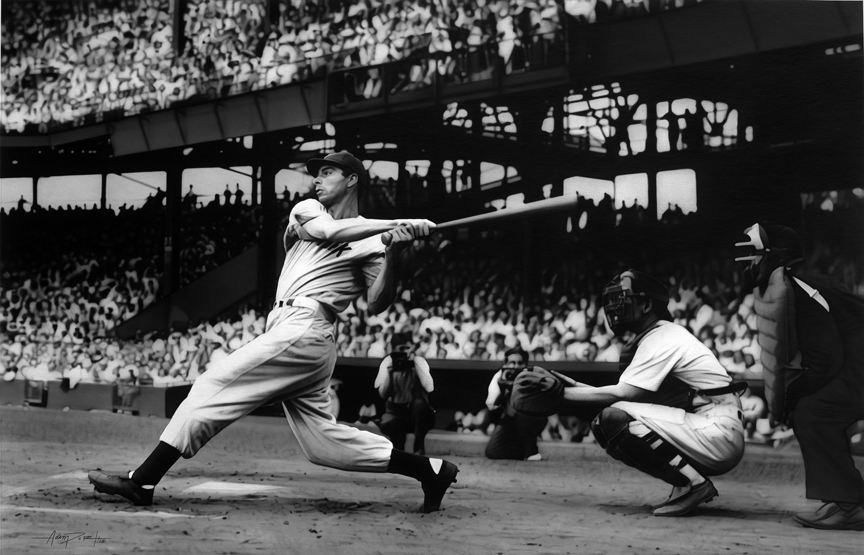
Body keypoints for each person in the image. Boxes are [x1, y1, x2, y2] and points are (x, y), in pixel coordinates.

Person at [88, 151, 459, 513]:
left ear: (351, 180)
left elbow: (377, 304)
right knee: (322, 444)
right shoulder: (308, 211)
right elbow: (328, 232)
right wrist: (393, 226)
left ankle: (143, 480)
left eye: (327, 173)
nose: (316, 179)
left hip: (308, 328)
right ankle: (431, 471)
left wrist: (392, 250)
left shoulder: (371, 243)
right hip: (290, 328)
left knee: (212, 383)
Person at [561, 270, 746, 516]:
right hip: (710, 426)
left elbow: (619, 397)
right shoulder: (659, 334)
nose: (615, 307)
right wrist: (570, 385)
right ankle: (686, 484)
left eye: (623, 299)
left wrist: (561, 394)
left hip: (717, 431)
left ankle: (694, 485)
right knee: (605, 422)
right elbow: (623, 396)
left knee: (614, 418)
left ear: (646, 304)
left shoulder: (662, 337)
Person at [735, 223, 864, 530]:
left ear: (777, 257)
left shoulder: (799, 288)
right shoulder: (795, 282)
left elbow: (826, 359)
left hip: (858, 366)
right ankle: (842, 498)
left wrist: (792, 396)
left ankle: (850, 504)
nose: (750, 262)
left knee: (811, 412)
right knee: (811, 410)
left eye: (756, 254)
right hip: (856, 363)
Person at [375, 331, 436, 455]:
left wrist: (415, 364)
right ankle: (399, 453)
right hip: (395, 413)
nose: (404, 352)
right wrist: (392, 370)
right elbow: (382, 394)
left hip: (414, 414)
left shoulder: (419, 361)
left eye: (407, 348)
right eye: (401, 349)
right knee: (393, 426)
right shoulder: (388, 362)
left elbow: (429, 387)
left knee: (421, 405)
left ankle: (419, 447)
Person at [484, 346, 546, 461]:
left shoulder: (533, 375)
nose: (516, 366)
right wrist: (503, 389)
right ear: (506, 364)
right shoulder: (499, 376)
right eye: (512, 363)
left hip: (532, 419)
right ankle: (520, 451)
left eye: (520, 363)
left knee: (521, 408)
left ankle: (531, 450)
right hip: (508, 419)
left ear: (526, 364)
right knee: (492, 453)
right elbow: (491, 407)